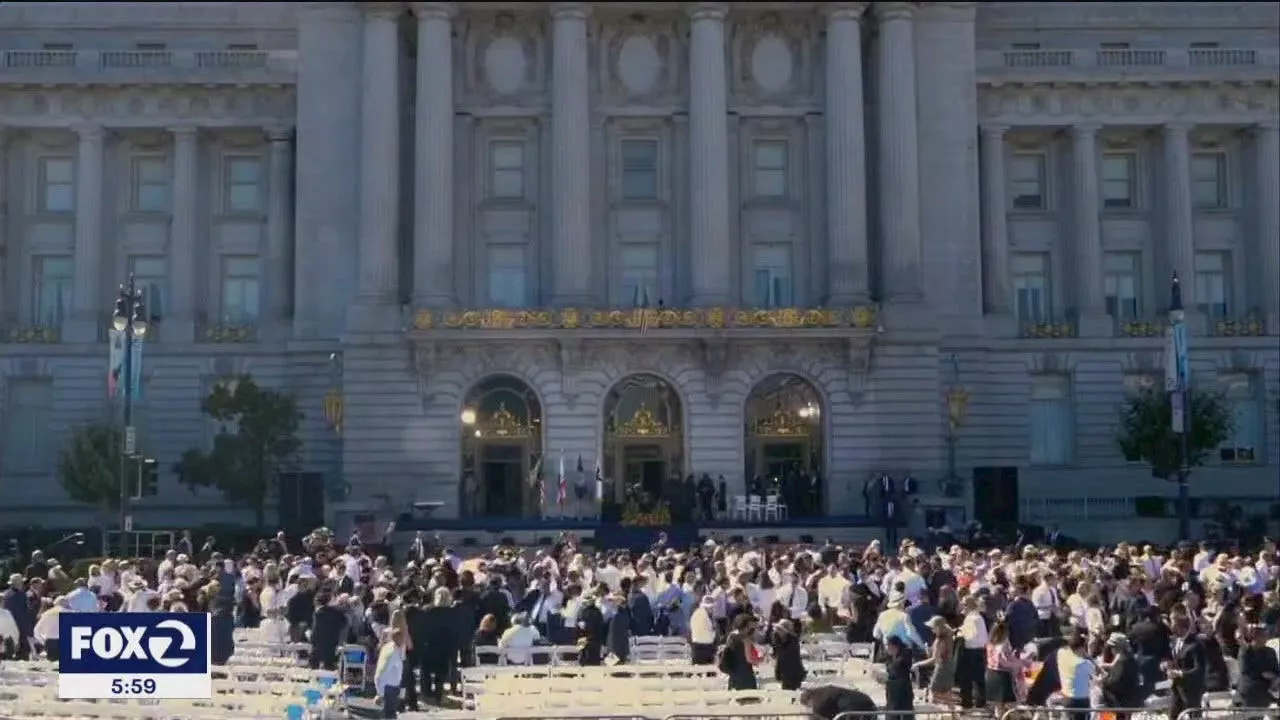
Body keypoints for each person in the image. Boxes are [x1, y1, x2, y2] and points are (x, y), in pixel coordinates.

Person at [1235, 623, 1279, 712]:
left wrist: (1276, 677)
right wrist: (1262, 675)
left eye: (1266, 635)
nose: (1266, 637)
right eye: (1263, 635)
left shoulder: (1270, 651)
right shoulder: (1246, 651)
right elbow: (1245, 671)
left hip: (1269, 686)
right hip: (1251, 687)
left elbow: (1275, 669)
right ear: (1254, 636)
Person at [914, 615, 957, 704]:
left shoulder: (940, 640)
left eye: (933, 627)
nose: (932, 630)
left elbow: (934, 659)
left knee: (935, 693)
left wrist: (917, 664)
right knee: (946, 694)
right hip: (950, 666)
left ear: (938, 627)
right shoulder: (949, 635)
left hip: (942, 668)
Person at [374, 626, 407, 719]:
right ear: (396, 638)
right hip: (389, 687)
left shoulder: (390, 647)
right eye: (402, 638)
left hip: (392, 686)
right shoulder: (393, 653)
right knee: (389, 714)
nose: (404, 640)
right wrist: (379, 693)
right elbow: (382, 671)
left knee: (390, 713)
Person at [881, 635, 915, 714]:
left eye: (886, 645)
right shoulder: (896, 657)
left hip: (900, 696)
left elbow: (895, 675)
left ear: (893, 646)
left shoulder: (900, 660)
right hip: (898, 695)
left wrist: (885, 678)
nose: (885, 648)